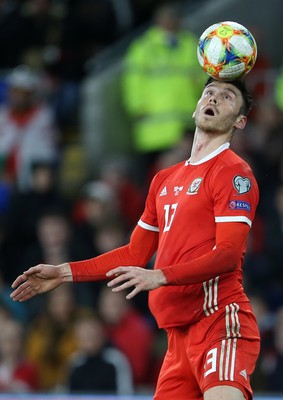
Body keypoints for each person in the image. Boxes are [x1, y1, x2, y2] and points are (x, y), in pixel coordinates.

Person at [10, 76, 260, 400]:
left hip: (218, 322)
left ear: (240, 121)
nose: (213, 99)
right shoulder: (164, 179)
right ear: (197, 104)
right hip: (177, 338)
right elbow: (133, 254)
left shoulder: (233, 172)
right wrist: (63, 272)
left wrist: (160, 275)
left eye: (227, 97)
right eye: (209, 92)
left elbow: (228, 254)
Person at [121, 4, 204, 182]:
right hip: (153, 126)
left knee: (185, 179)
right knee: (155, 179)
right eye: (166, 17)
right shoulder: (144, 47)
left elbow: (201, 79)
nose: (170, 22)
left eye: (173, 17)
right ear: (157, 21)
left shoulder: (191, 44)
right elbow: (133, 80)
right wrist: (136, 107)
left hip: (184, 124)